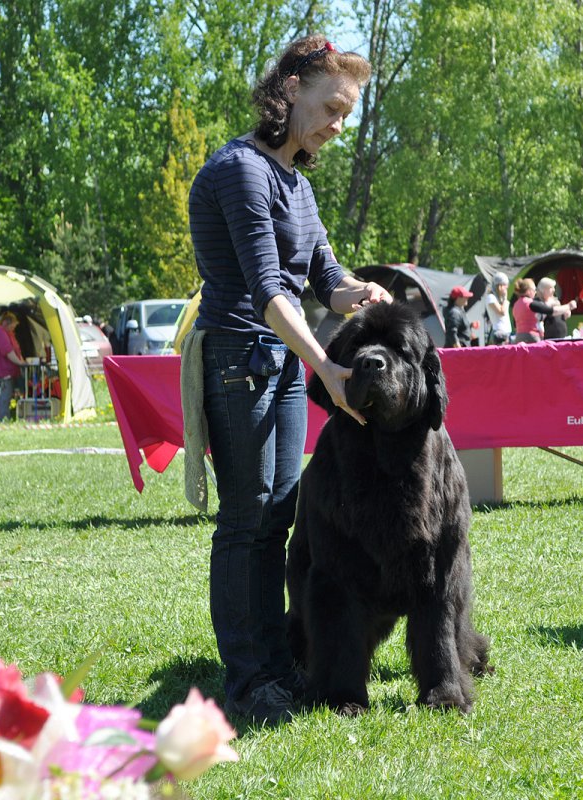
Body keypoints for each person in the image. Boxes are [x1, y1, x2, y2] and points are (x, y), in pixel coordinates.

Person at [186, 35, 392, 726]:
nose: (338, 125)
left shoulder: (297, 184)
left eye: (346, 115)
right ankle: (250, 681)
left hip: (278, 362)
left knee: (279, 515)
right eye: (332, 108)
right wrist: (325, 368)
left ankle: (276, 663)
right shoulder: (240, 170)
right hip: (238, 360)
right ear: (293, 88)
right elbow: (269, 290)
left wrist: (361, 293)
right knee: (247, 521)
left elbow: (324, 278)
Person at [0, 311, 27, 421]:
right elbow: (7, 351)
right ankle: (3, 422)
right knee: (3, 400)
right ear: (5, 322)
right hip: (0, 374)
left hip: (3, 374)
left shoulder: (5, 332)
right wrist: (20, 363)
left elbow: (15, 351)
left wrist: (21, 361)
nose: (13, 329)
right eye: (12, 326)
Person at [512, 278, 575, 343]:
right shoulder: (531, 303)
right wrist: (568, 306)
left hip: (519, 336)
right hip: (531, 337)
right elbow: (552, 311)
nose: (535, 292)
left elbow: (515, 324)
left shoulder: (516, 304)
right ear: (529, 291)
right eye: (534, 290)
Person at [485, 272, 511, 345]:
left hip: (505, 332)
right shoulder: (491, 297)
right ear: (500, 286)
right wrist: (505, 298)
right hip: (499, 333)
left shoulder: (500, 299)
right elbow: (502, 312)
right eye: (505, 285)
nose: (507, 288)